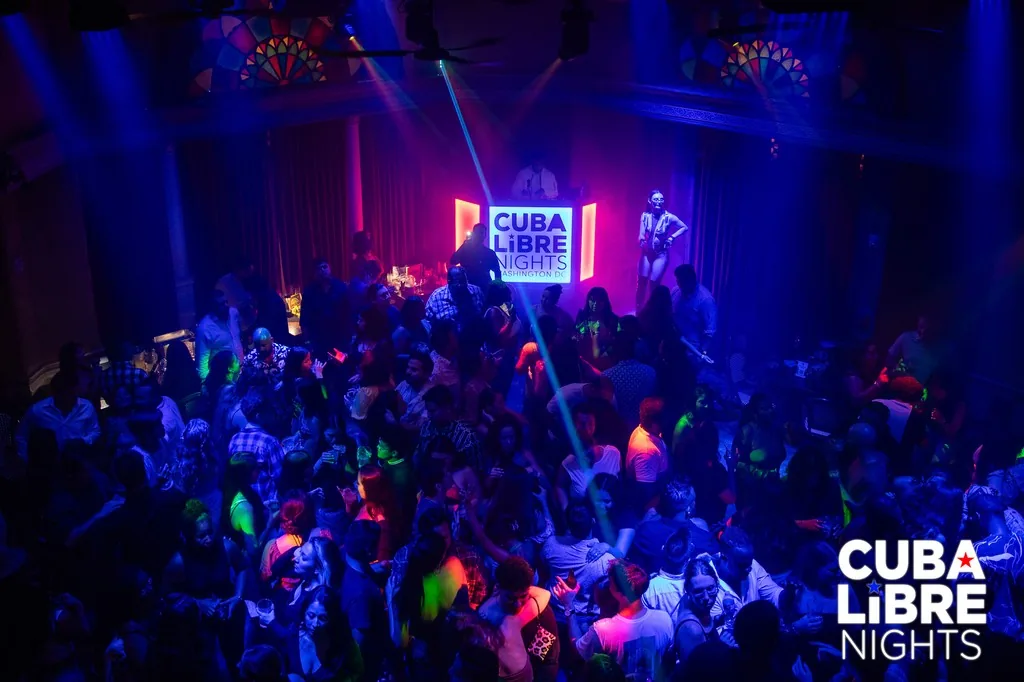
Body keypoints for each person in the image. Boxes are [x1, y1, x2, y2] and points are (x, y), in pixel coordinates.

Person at [554, 560, 674, 680]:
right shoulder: (664, 620)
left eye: (610, 583)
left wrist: (568, 605)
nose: (609, 585)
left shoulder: (603, 630)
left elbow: (578, 651)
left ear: (619, 593)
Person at [479, 557, 561, 682]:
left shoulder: (541, 612)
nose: (518, 604)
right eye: (511, 598)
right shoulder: (486, 616)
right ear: (498, 588)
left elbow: (549, 660)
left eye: (523, 596)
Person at [16, 371, 101, 458]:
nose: (68, 399)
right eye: (64, 396)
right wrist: (26, 461)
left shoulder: (87, 407)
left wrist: (83, 441)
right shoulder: (37, 411)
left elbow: (95, 431)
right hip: (48, 463)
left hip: (79, 460)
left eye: (71, 394)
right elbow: (21, 437)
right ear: (54, 393)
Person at [636, 189, 689, 309]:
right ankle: (639, 309)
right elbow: (641, 233)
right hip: (646, 253)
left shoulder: (668, 217)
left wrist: (672, 238)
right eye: (656, 199)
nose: (659, 202)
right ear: (650, 201)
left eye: (661, 199)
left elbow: (684, 227)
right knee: (642, 282)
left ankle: (652, 310)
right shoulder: (645, 216)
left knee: (653, 284)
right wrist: (641, 241)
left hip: (660, 254)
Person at [672, 553, 722, 664]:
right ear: (687, 590)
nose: (706, 597)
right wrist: (722, 648)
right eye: (698, 591)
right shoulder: (692, 629)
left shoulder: (690, 601)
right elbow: (698, 675)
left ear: (717, 584)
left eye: (710, 589)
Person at [299, 258, 351, 359]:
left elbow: (348, 314)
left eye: (325, 267)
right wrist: (307, 341)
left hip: (339, 339)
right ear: (315, 273)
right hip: (319, 341)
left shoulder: (341, 287)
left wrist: (348, 339)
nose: (322, 270)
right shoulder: (309, 291)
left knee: (341, 367)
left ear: (330, 268)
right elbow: (305, 318)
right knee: (321, 369)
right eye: (319, 268)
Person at [196, 291, 244, 381]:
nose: (226, 306)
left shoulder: (233, 314)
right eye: (222, 304)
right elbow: (202, 365)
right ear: (213, 307)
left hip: (241, 371)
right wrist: (209, 385)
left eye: (226, 302)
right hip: (224, 379)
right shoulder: (205, 328)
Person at [671, 264, 716, 360]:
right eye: (678, 281)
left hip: (692, 351)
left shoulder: (705, 299)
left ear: (690, 279)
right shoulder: (675, 291)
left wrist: (702, 353)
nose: (679, 284)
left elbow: (710, 331)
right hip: (674, 345)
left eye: (682, 281)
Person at [425, 266, 485, 331]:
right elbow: (427, 322)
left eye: (465, 281)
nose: (463, 285)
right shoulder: (436, 297)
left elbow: (484, 315)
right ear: (449, 282)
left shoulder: (476, 291)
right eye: (459, 282)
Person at [886, 313, 940, 385]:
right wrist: (899, 371)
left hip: (925, 390)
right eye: (922, 326)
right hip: (904, 386)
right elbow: (889, 359)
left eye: (927, 322)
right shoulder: (905, 337)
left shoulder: (936, 346)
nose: (923, 330)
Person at [451, 222, 502, 291]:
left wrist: (497, 289)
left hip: (484, 288)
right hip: (467, 287)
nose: (479, 235)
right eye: (477, 232)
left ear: (485, 235)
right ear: (474, 234)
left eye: (481, 233)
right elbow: (453, 261)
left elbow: (497, 271)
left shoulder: (489, 253)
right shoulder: (465, 249)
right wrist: (463, 246)